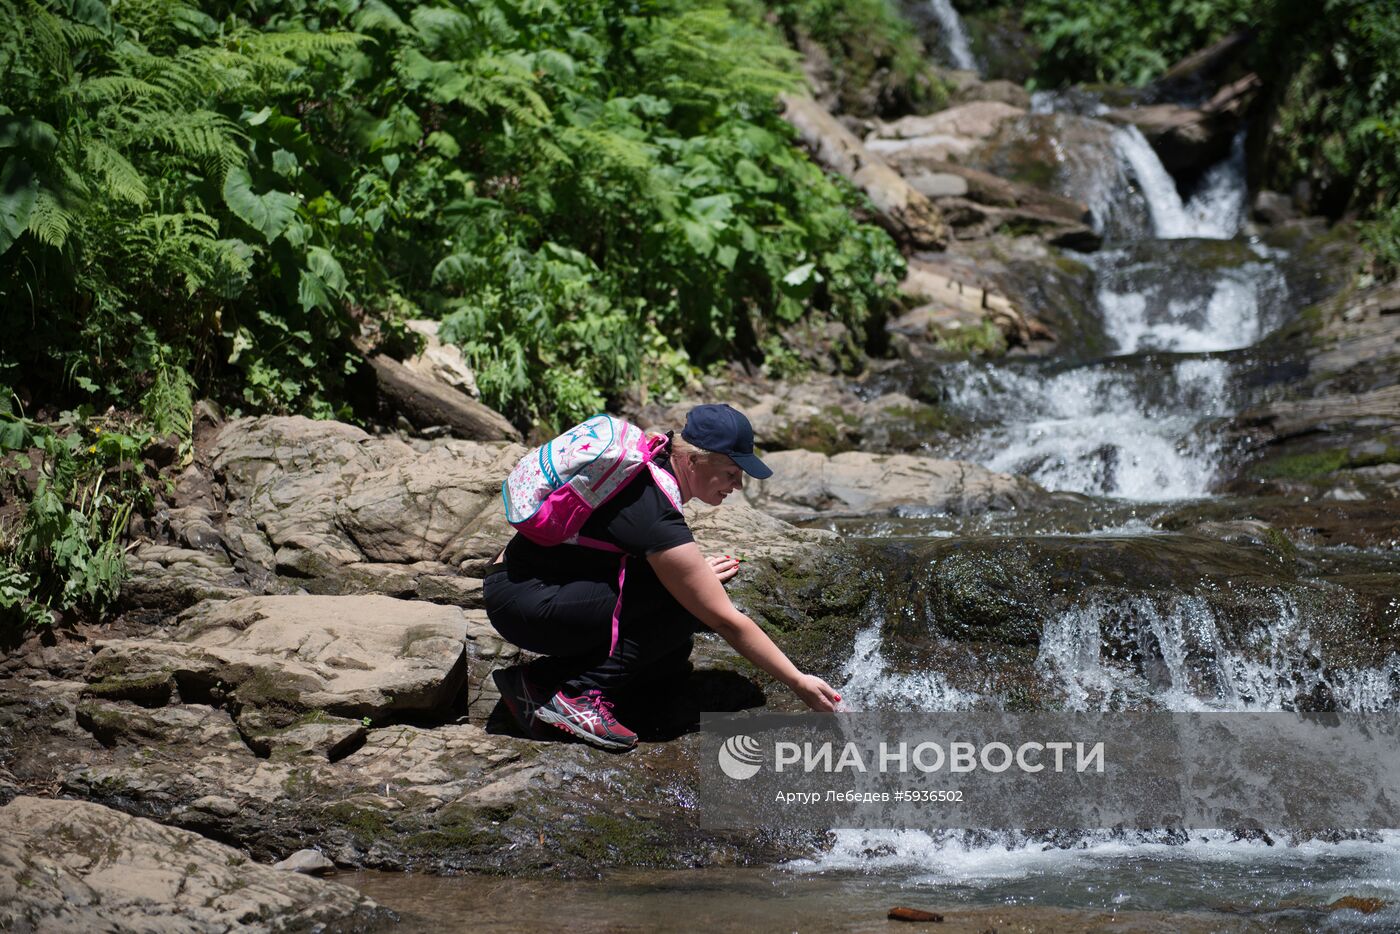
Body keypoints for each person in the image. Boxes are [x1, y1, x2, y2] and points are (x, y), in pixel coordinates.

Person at [484, 403, 840, 751]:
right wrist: (798, 681)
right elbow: (726, 621)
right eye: (732, 473)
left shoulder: (652, 456)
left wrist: (692, 575)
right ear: (694, 460)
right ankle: (578, 695)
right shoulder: (653, 511)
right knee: (684, 607)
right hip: (526, 602)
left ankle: (539, 683)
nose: (738, 485)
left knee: (671, 653)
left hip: (523, 583)